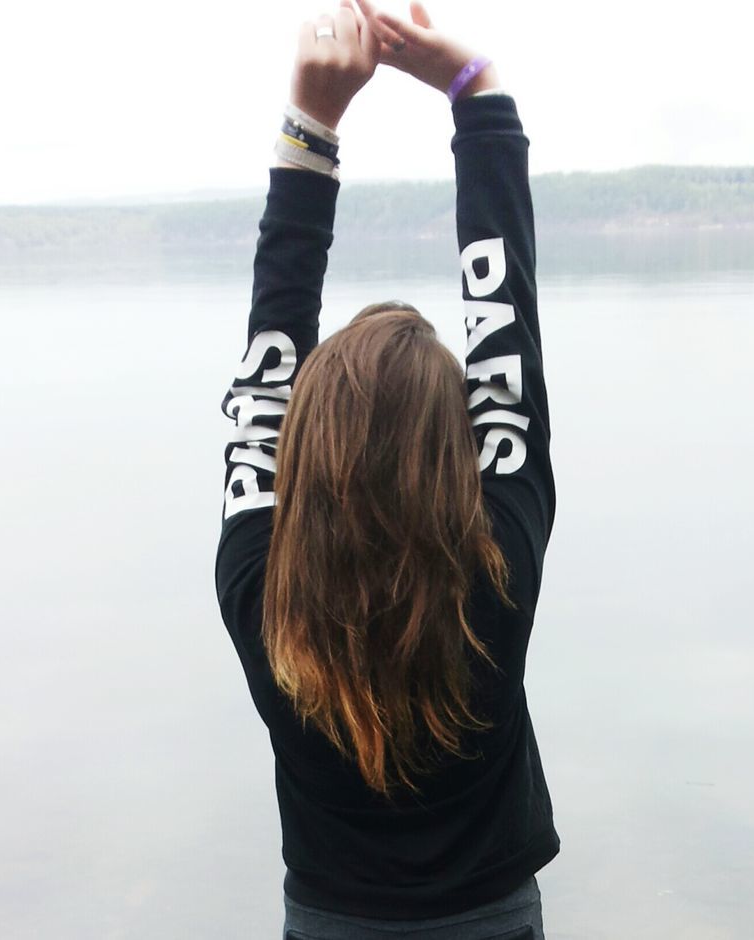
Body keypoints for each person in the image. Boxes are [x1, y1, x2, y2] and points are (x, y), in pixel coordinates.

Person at [214, 2, 558, 936]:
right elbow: (504, 330)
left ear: (299, 454)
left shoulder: (259, 591)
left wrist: (312, 122)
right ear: (462, 454)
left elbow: (269, 358)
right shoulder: (498, 569)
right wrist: (471, 89)